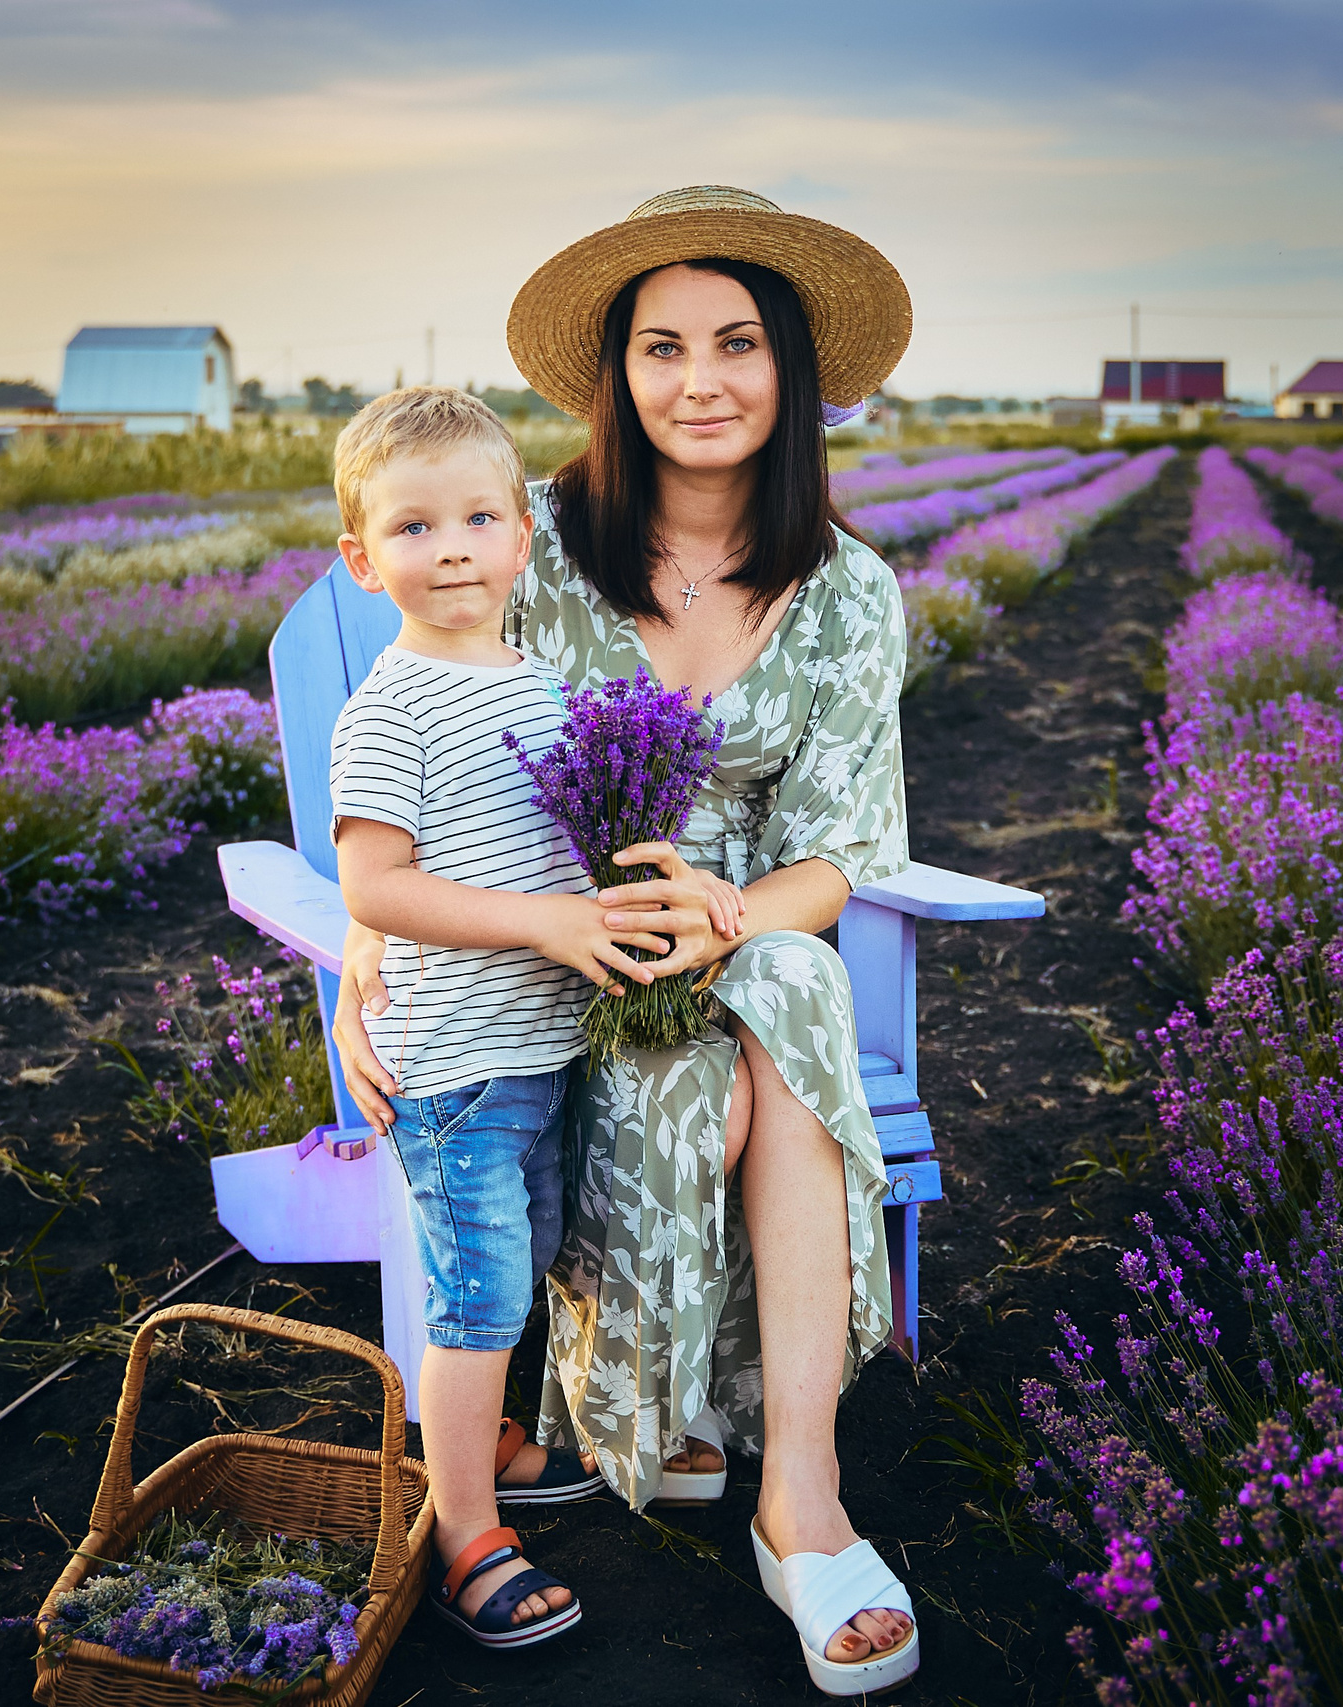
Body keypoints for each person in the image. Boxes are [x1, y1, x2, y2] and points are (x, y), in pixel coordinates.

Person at [333, 188, 923, 1695]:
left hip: (749, 958)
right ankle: (679, 1416)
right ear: (618, 376)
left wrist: (726, 916)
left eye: (737, 342)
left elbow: (841, 855)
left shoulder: (851, 595)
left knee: (790, 973)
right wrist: (360, 941)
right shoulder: (521, 549)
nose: (700, 379)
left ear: (791, 370)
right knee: (736, 1055)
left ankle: (801, 1485)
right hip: (550, 991)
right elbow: (413, 747)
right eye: (661, 347)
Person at [323, 385, 661, 1649]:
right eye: (413, 528)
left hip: (545, 1052)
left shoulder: (541, 684)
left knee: (522, 1269)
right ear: (364, 562)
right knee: (478, 1297)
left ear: (523, 538)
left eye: (477, 517)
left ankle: (499, 1439)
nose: (452, 546)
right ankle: (462, 1525)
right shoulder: (389, 709)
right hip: (457, 1065)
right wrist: (546, 926)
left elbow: (569, 846)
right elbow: (376, 884)